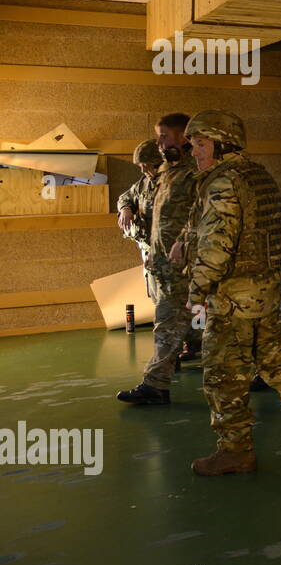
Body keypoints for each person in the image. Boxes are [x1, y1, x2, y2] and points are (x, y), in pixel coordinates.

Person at [178, 110, 281, 475]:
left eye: (200, 145)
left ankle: (235, 450)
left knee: (221, 375)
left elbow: (218, 244)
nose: (195, 153)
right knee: (275, 362)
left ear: (220, 143)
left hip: (232, 298)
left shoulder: (222, 182)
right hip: (263, 291)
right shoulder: (257, 175)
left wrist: (196, 290)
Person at [116, 114, 197, 406]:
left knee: (172, 321)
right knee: (176, 320)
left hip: (189, 263)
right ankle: (158, 382)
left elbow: (205, 215)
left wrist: (185, 244)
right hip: (166, 263)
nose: (159, 143)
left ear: (184, 137)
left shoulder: (197, 173)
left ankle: (156, 384)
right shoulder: (166, 174)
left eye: (164, 137)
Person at [117, 139, 163, 267]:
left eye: (145, 165)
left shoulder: (173, 183)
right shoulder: (144, 183)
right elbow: (125, 197)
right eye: (140, 166)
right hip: (148, 253)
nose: (142, 171)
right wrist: (125, 209)